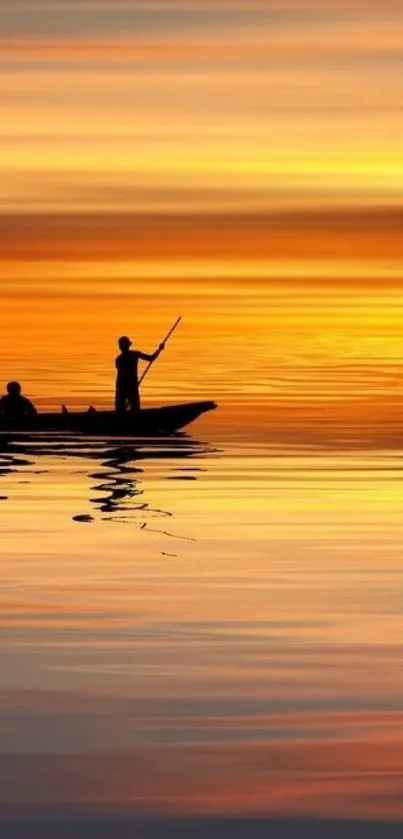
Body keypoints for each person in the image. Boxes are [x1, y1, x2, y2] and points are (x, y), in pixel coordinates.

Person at [115, 336, 165, 413]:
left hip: (127, 387)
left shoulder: (122, 358)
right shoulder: (124, 357)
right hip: (127, 387)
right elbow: (151, 358)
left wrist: (159, 349)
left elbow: (151, 358)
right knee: (127, 410)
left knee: (125, 410)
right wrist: (159, 349)